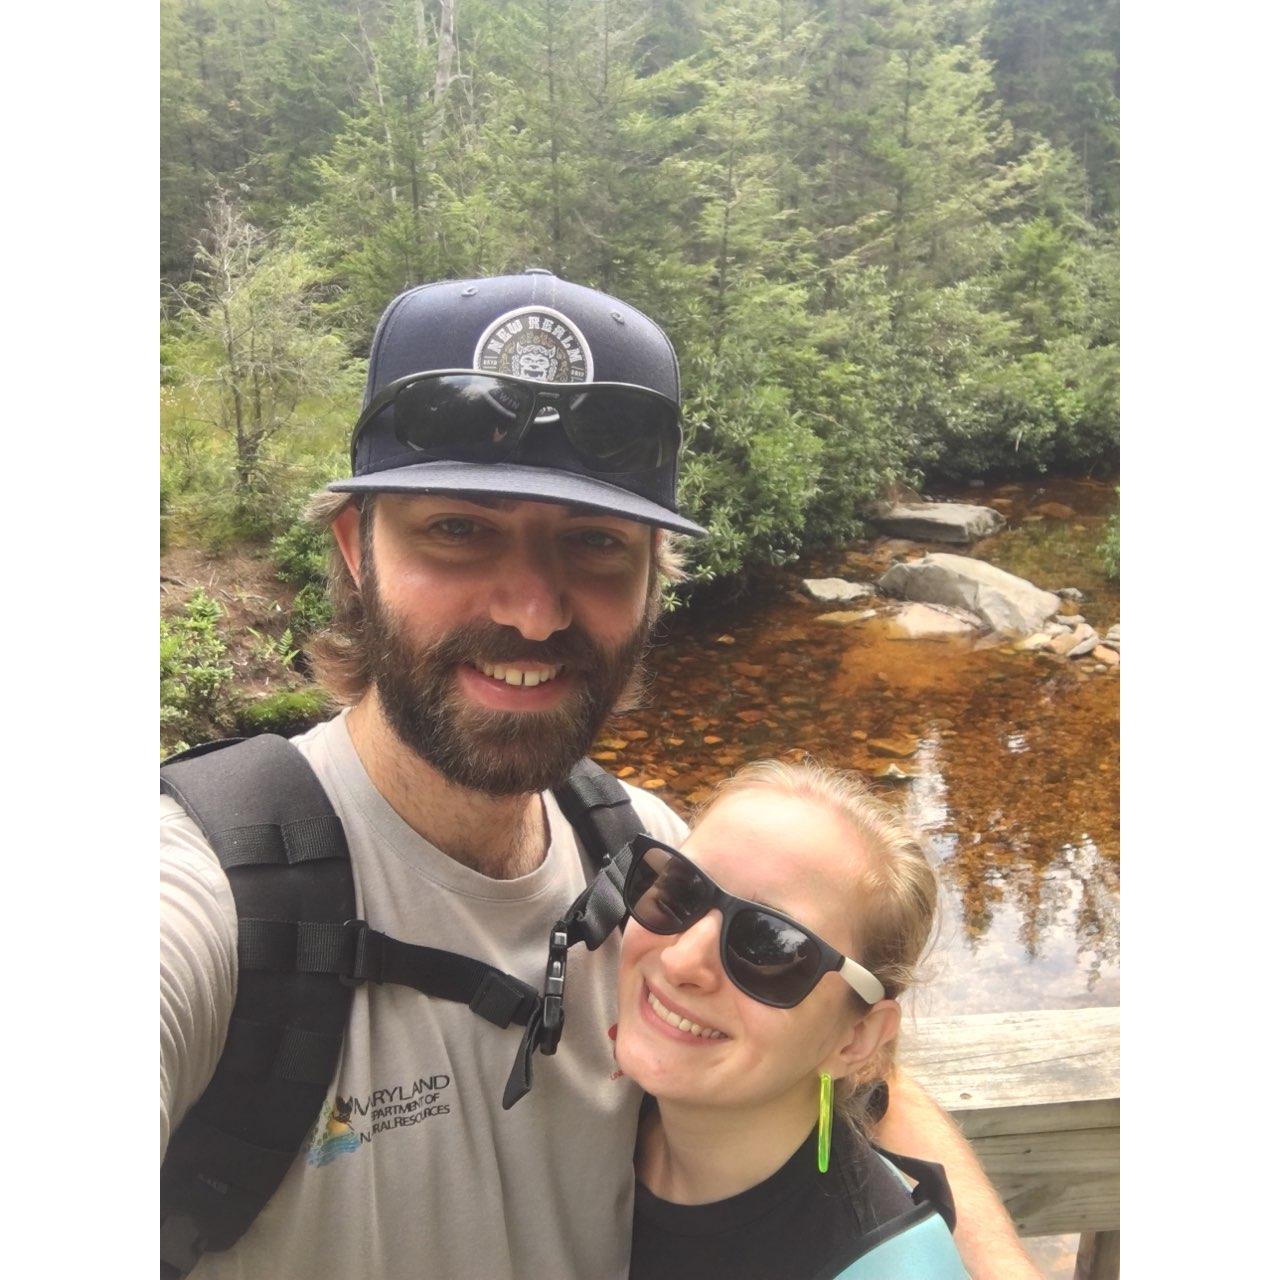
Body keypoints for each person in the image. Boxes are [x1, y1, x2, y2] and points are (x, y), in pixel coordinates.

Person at [160, 271, 1038, 1279]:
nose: (534, 609)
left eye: (594, 544)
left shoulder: (646, 859)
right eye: (459, 528)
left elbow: (852, 1057)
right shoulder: (205, 899)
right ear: (357, 549)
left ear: (651, 580)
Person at [616, 759, 968, 1278]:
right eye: (679, 891)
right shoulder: (594, 1121)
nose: (680, 960)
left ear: (856, 1038)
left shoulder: (889, 1268)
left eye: (768, 944)